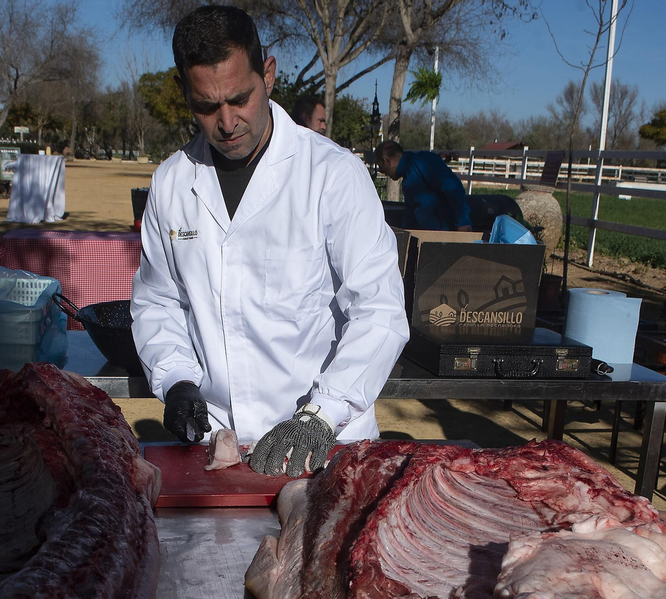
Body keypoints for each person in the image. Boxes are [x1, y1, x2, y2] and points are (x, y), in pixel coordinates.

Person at [130, 5, 407, 476]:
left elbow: (379, 311)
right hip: (221, 445)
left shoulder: (333, 175)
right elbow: (158, 302)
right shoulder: (172, 183)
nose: (227, 121)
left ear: (269, 74)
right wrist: (176, 380)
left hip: (328, 443)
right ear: (185, 94)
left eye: (240, 98)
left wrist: (320, 415)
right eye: (206, 106)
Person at [376, 141, 473, 232]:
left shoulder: (423, 162)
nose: (383, 172)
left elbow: (452, 187)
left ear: (387, 161)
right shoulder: (407, 179)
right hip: (431, 236)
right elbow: (410, 216)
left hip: (447, 233)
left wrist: (463, 222)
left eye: (381, 167)